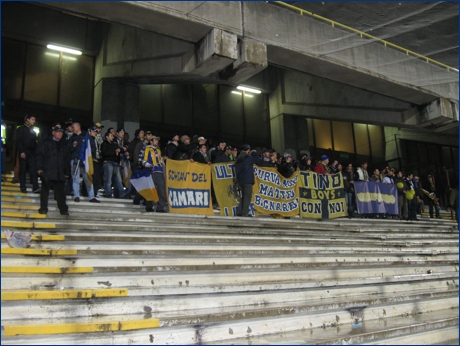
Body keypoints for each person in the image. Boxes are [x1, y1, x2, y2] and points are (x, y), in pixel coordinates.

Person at [35, 123, 70, 215]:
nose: (60, 134)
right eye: (58, 132)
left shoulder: (64, 145)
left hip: (59, 172)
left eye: (61, 132)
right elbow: (39, 156)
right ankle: (43, 208)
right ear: (53, 133)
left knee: (61, 192)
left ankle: (63, 209)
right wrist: (39, 168)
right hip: (48, 170)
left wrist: (67, 171)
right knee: (45, 191)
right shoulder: (46, 143)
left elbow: (66, 159)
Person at [68, 122, 100, 203]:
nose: (72, 128)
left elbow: (93, 147)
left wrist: (89, 155)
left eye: (73, 127)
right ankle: (76, 195)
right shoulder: (72, 138)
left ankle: (91, 196)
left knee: (88, 177)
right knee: (75, 178)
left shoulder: (86, 136)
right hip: (75, 160)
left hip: (85, 161)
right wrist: (73, 146)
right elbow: (67, 149)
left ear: (78, 127)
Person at [139, 135, 168, 213]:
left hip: (160, 172)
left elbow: (158, 160)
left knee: (161, 191)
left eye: (157, 140)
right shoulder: (147, 149)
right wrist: (150, 165)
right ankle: (149, 206)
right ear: (151, 141)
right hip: (152, 172)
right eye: (155, 140)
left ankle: (160, 207)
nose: (157, 141)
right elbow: (144, 161)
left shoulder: (158, 150)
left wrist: (162, 159)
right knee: (151, 190)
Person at [101, 131, 130, 199]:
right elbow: (104, 153)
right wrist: (115, 153)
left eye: (113, 136)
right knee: (108, 179)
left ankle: (122, 193)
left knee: (118, 179)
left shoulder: (114, 143)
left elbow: (119, 150)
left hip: (115, 163)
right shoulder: (104, 144)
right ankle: (108, 193)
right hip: (108, 162)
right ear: (107, 137)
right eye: (111, 135)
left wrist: (121, 149)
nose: (113, 137)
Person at [16, 114, 40, 193]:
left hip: (32, 152)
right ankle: (23, 187)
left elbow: (35, 141)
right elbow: (18, 141)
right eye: (32, 119)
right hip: (24, 151)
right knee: (23, 170)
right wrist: (22, 151)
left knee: (33, 169)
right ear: (28, 120)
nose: (34, 121)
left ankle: (35, 187)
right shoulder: (21, 129)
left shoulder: (33, 130)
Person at [235, 144, 260, 217]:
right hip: (247, 180)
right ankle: (244, 212)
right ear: (248, 150)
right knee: (247, 196)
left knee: (244, 196)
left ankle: (239, 211)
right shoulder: (247, 158)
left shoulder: (239, 159)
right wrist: (254, 152)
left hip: (241, 180)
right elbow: (257, 159)